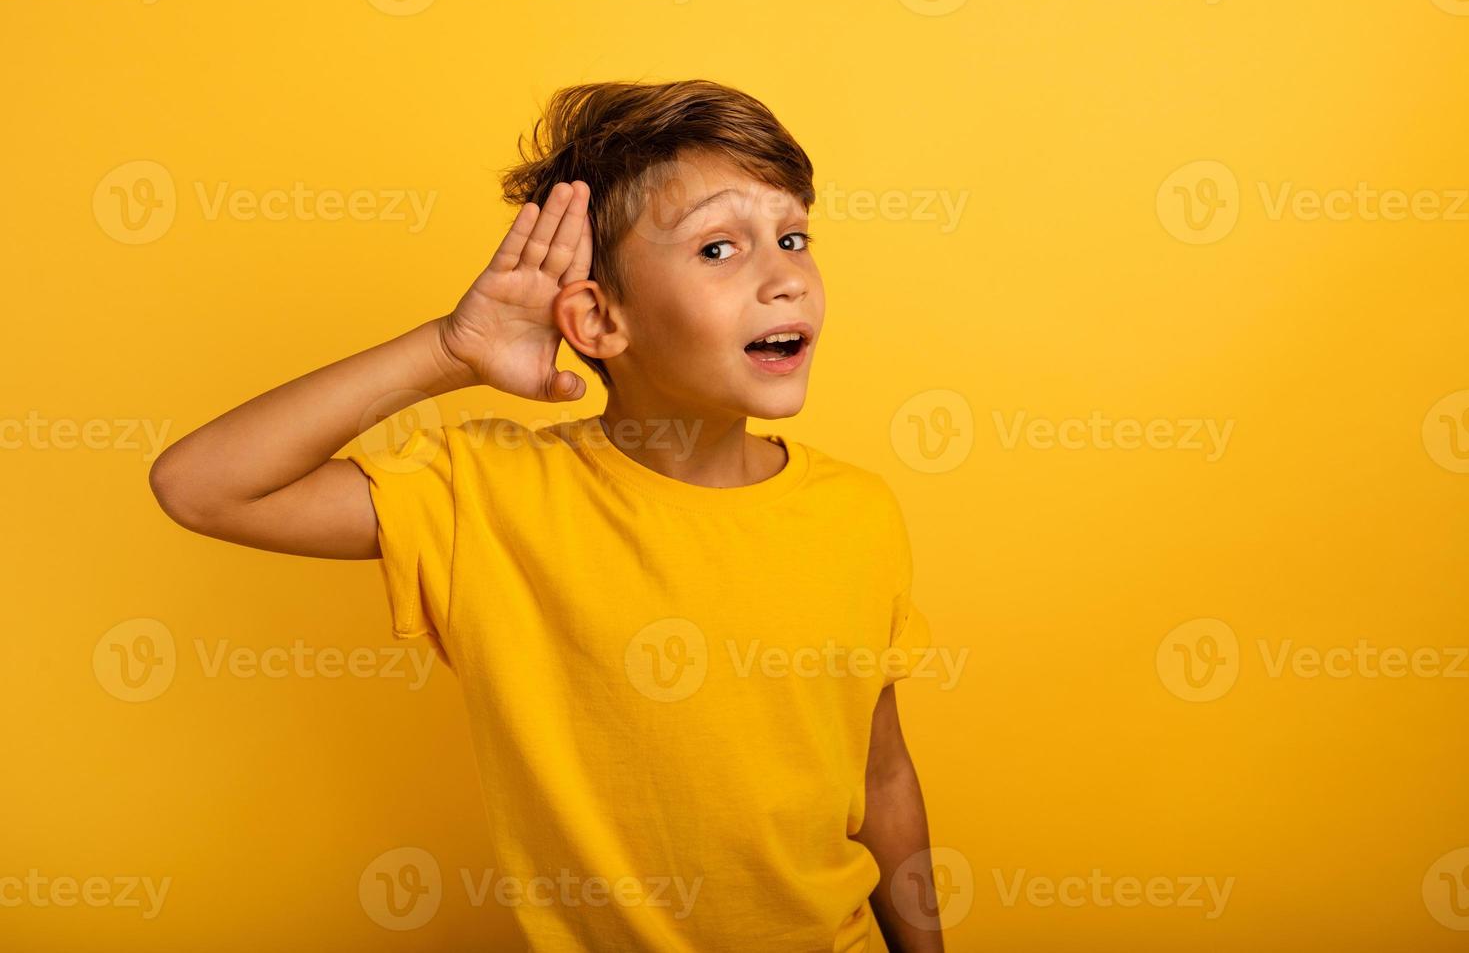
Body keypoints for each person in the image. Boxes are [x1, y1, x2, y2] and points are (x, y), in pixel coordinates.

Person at [149, 78, 942, 952]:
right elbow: (203, 485)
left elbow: (883, 775)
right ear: (600, 320)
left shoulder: (858, 513)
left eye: (792, 237)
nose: (785, 275)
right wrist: (449, 351)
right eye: (720, 248)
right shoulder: (488, 495)